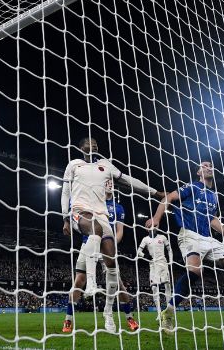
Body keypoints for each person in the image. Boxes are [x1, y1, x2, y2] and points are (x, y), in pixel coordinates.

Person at [146, 161, 224, 333]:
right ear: (198, 172)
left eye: (211, 165)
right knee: (196, 271)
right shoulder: (192, 187)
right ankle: (169, 312)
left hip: (207, 238)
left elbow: (212, 219)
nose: (209, 167)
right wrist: (157, 218)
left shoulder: (214, 195)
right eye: (204, 165)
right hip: (189, 234)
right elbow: (169, 198)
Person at [60, 137, 166, 333]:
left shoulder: (105, 167)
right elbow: (65, 191)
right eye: (88, 142)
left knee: (113, 270)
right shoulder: (74, 165)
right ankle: (77, 306)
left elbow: (128, 180)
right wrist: (65, 218)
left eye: (96, 143)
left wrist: (154, 192)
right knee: (80, 281)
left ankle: (118, 316)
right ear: (80, 147)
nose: (92, 144)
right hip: (80, 213)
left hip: (101, 219)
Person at [137, 227, 173, 321]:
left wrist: (171, 262)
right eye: (150, 228)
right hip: (153, 265)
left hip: (163, 264)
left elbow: (169, 249)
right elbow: (138, 251)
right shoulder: (146, 239)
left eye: (155, 228)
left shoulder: (163, 237)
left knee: (167, 286)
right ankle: (159, 313)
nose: (153, 229)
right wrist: (145, 256)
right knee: (154, 287)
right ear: (147, 229)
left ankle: (168, 312)